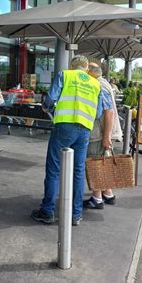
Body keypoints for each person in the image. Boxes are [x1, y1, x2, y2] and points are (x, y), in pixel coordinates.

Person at [31, 55, 101, 226]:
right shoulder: (95, 83)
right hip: (84, 129)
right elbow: (98, 113)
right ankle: (75, 215)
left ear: (72, 65)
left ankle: (47, 211)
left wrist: (47, 107)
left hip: (64, 127)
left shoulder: (65, 75)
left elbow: (51, 98)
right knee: (78, 172)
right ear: (86, 67)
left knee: (54, 169)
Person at [83, 62, 117, 209]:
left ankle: (97, 198)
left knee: (94, 165)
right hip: (103, 132)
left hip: (98, 133)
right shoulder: (104, 82)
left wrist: (106, 136)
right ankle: (108, 193)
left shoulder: (98, 86)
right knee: (102, 163)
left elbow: (108, 112)